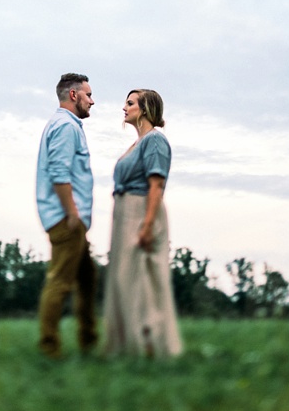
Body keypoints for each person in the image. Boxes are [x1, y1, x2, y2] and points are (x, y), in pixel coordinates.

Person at [103, 88, 182, 358]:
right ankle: (128, 346)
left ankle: (151, 346)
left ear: (145, 109)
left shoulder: (155, 141)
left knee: (143, 281)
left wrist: (147, 226)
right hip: (124, 213)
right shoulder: (136, 144)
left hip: (141, 210)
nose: (124, 108)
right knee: (124, 280)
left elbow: (156, 185)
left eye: (130, 103)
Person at [35, 73, 98, 357]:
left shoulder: (66, 125)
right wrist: (72, 214)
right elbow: (59, 174)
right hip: (66, 219)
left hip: (72, 219)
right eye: (88, 95)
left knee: (87, 278)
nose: (92, 101)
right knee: (60, 282)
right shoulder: (65, 127)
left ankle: (89, 341)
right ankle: (50, 349)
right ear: (74, 95)